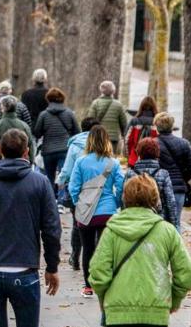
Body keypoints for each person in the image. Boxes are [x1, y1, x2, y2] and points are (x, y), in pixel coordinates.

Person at [0, 129, 61, 327]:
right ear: (26, 151)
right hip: (25, 269)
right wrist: (52, 266)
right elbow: (51, 229)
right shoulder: (40, 182)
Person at [89, 175, 191, 327]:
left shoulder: (112, 231)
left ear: (125, 198)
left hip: (118, 313)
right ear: (155, 199)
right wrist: (174, 300)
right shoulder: (167, 231)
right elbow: (186, 272)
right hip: (156, 312)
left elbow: (98, 271)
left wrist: (103, 298)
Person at [68, 125, 124, 298]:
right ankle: (105, 282)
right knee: (105, 249)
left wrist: (79, 202)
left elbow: (73, 187)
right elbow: (121, 186)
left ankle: (88, 286)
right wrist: (115, 202)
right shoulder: (113, 163)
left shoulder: (81, 161)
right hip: (107, 211)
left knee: (88, 248)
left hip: (86, 212)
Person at [56, 117, 100, 271]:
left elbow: (67, 169)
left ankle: (75, 256)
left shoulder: (74, 146)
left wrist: (60, 182)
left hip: (79, 190)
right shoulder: (103, 145)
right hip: (98, 189)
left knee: (78, 223)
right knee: (96, 222)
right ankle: (93, 258)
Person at [154, 112, 191, 230]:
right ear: (172, 126)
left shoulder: (152, 144)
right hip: (178, 189)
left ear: (156, 126)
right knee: (176, 223)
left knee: (157, 223)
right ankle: (176, 247)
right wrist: (182, 178)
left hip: (157, 189)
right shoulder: (184, 143)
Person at [33, 87, 80, 198]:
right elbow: (77, 132)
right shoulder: (69, 113)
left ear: (48, 99)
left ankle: (51, 199)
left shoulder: (44, 115)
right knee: (64, 175)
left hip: (48, 151)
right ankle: (62, 199)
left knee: (50, 176)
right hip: (65, 149)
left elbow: (37, 133)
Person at [125, 138, 178, 226]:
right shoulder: (163, 174)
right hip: (158, 221)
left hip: (135, 221)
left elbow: (124, 199)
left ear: (139, 152)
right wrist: (174, 225)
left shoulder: (130, 174)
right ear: (156, 153)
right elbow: (170, 202)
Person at [0, 96, 35, 162]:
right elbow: (30, 145)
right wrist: (31, 161)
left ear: (2, 108)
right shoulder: (24, 126)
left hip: (1, 164)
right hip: (21, 164)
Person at [86, 81, 128, 153]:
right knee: (110, 159)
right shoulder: (118, 105)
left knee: (97, 157)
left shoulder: (95, 103)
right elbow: (124, 124)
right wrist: (124, 136)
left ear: (101, 90)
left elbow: (90, 121)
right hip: (113, 139)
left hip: (98, 137)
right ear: (113, 91)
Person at [125, 96, 158, 168]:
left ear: (141, 107)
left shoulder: (134, 121)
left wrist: (129, 156)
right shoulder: (157, 122)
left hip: (135, 159)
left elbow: (128, 141)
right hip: (154, 162)